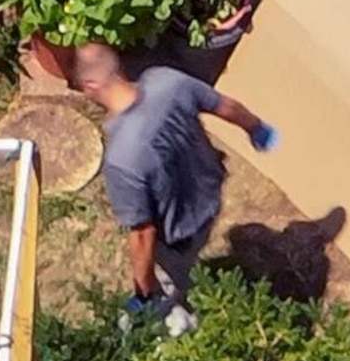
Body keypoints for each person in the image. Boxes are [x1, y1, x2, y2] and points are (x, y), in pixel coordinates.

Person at [72, 43, 275, 335]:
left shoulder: (122, 158)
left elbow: (143, 234)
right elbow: (224, 105)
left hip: (179, 232)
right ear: (118, 68)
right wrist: (256, 128)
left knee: (171, 277)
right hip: (209, 195)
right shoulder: (167, 81)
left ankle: (181, 322)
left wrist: (143, 292)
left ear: (90, 86)